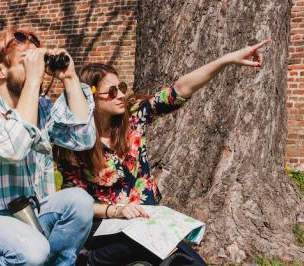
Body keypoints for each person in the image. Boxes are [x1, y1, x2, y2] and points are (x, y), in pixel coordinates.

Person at [55, 39, 269, 265]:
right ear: (91, 96)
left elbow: (179, 90)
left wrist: (227, 60)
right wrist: (115, 211)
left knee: (191, 261)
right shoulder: (75, 142)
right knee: (140, 243)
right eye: (112, 91)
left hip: (148, 222)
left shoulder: (133, 117)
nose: (120, 95)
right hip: (106, 226)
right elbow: (76, 203)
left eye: (122, 88)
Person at [0, 28, 97, 266]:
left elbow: (83, 139)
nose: (34, 69)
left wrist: (70, 78)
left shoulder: (42, 109)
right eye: (26, 62)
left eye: (37, 60)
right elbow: (13, 149)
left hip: (30, 218)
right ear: (0, 70)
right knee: (32, 249)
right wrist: (34, 79)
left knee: (80, 202)